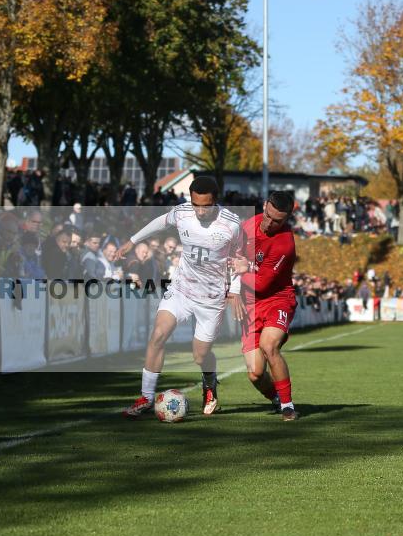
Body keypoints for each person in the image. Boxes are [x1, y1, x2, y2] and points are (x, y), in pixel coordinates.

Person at [117, 176, 243, 418]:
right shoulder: (183, 212)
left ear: (215, 201)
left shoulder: (231, 224)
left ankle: (210, 386)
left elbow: (238, 258)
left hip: (211, 297)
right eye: (195, 204)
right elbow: (160, 222)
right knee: (158, 335)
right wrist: (131, 241)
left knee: (200, 355)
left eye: (205, 206)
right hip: (182, 289)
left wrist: (235, 290)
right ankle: (145, 397)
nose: (199, 211)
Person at [229, 190, 300, 421]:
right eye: (267, 215)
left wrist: (246, 269)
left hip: (278, 299)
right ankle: (277, 399)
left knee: (270, 347)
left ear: (287, 219)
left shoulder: (284, 244)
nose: (269, 223)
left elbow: (262, 284)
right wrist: (234, 292)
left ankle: (288, 405)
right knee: (255, 374)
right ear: (264, 205)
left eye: (277, 220)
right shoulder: (250, 224)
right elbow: (230, 260)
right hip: (251, 305)